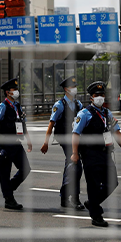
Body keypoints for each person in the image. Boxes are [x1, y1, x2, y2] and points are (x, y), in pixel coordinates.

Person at [71, 81, 121, 227]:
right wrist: (75, 154)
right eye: (97, 95)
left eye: (102, 95)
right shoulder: (84, 114)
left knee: (112, 182)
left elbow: (116, 131)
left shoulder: (107, 113)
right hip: (90, 154)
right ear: (91, 97)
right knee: (94, 185)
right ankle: (96, 216)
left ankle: (92, 203)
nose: (100, 97)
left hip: (105, 153)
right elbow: (75, 134)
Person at [41, 76, 85, 210]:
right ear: (66, 89)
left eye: (75, 86)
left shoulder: (78, 104)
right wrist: (46, 142)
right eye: (72, 87)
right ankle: (75, 198)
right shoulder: (59, 105)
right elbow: (51, 124)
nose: (74, 89)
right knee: (76, 166)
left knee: (72, 166)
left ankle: (64, 197)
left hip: (76, 138)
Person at [0, 78, 32, 210]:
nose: (16, 91)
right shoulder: (2, 107)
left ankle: (9, 188)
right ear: (8, 92)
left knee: (26, 169)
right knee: (5, 172)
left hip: (16, 143)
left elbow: (22, 124)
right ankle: (9, 199)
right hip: (5, 144)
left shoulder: (17, 106)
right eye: (14, 89)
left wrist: (28, 140)